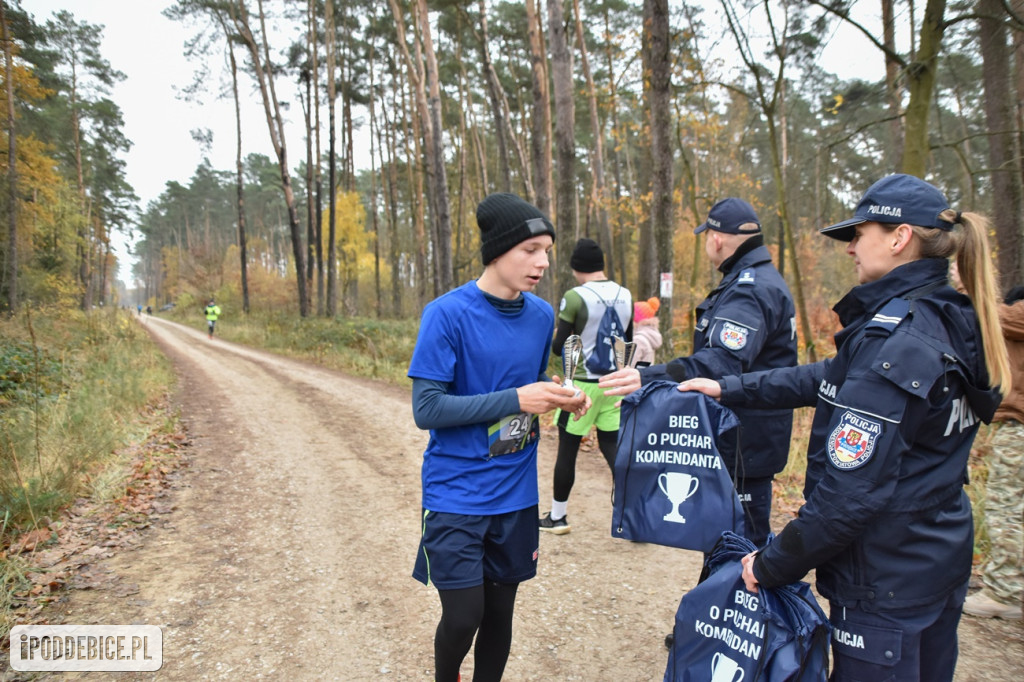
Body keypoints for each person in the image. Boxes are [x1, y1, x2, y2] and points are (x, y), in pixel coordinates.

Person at [678, 174, 1010, 681]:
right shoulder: (950, 316)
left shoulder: (900, 341)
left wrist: (770, 564)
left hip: (884, 578)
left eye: (860, 233)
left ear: (899, 238)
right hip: (935, 556)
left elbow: (848, 497)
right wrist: (730, 388)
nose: (851, 247)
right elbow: (829, 377)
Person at [407, 192, 589, 682]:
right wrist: (517, 399)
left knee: (500, 615)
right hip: (457, 492)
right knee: (465, 614)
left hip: (515, 493)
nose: (544, 262)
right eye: (530, 249)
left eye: (547, 250)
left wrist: (561, 397)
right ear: (498, 251)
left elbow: (528, 390)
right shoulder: (446, 314)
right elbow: (427, 410)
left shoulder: (540, 316)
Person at [600, 197, 797, 547]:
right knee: (728, 546)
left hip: (747, 440)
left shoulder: (750, 289)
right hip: (747, 438)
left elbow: (720, 362)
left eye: (707, 236)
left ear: (717, 239)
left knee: (743, 553)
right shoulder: (752, 281)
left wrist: (647, 377)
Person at [540, 238, 633, 534]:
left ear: (576, 268)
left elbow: (560, 347)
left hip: (579, 386)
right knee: (614, 449)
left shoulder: (576, 296)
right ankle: (631, 519)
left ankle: (558, 516)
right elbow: (626, 342)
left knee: (567, 451)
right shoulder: (626, 294)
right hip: (614, 384)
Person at [962, 283, 1024, 621]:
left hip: (1020, 425)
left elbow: (991, 315)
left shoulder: (1014, 313)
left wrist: (971, 287)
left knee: (1007, 508)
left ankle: (1004, 591)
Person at [632, 297, 662, 367]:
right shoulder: (648, 335)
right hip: (645, 377)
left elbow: (629, 367)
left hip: (635, 377)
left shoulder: (638, 340)